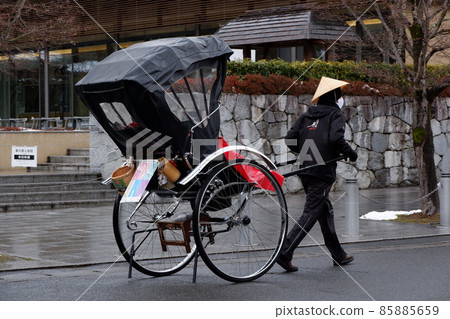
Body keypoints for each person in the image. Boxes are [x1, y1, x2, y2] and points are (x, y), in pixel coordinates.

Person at [277, 76, 358, 272]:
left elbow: (289, 139)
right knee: (311, 212)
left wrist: (306, 152)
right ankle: (284, 252)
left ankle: (338, 254)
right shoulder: (335, 115)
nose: (341, 99)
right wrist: (349, 152)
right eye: (340, 95)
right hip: (322, 171)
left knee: (325, 211)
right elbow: (336, 138)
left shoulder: (307, 115)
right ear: (336, 97)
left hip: (306, 168)